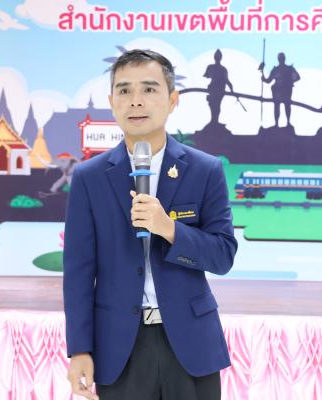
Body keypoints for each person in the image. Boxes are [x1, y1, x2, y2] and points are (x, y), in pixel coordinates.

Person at [63, 49, 238, 400]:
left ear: (172, 100)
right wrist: (80, 349)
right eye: (124, 90)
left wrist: (169, 229)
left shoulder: (205, 170)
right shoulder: (89, 178)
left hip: (191, 346)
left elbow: (222, 256)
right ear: (112, 102)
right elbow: (78, 271)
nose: (136, 101)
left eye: (149, 89)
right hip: (119, 348)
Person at [259, 52, 300, 128]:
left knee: (286, 106)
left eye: (282, 58)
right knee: (278, 106)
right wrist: (263, 76)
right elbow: (268, 80)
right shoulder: (276, 70)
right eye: (280, 58)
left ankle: (287, 122)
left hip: (286, 90)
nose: (281, 59)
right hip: (278, 91)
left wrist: (290, 81)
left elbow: (298, 77)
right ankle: (277, 123)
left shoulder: (289, 69)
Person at [204, 49, 234, 124]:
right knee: (213, 104)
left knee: (216, 105)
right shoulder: (211, 67)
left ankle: (215, 121)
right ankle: (214, 121)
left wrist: (232, 90)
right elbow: (207, 75)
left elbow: (226, 80)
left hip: (219, 89)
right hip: (213, 88)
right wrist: (231, 89)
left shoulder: (222, 69)